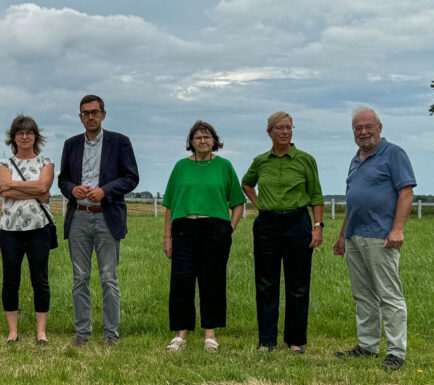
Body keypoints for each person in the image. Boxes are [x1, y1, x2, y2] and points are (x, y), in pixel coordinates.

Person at [333, 106, 415, 371]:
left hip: (381, 237)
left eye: (368, 127)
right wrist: (343, 235)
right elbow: (352, 201)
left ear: (380, 128)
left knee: (388, 295)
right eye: (358, 128)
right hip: (355, 237)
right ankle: (367, 346)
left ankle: (396, 351)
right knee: (363, 295)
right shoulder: (355, 159)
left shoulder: (394, 154)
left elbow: (406, 192)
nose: (363, 132)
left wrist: (397, 229)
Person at [58, 94, 139, 347]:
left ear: (103, 114)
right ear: (80, 117)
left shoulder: (120, 142)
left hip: (106, 216)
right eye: (85, 113)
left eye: (94, 112)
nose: (90, 117)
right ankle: (82, 333)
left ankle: (110, 335)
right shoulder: (71, 145)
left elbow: (131, 178)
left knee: (108, 277)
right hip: (79, 216)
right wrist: (72, 189)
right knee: (80, 277)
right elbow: (63, 180)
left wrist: (105, 191)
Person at [241, 111, 324, 354]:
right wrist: (260, 204)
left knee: (298, 284)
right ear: (270, 132)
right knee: (266, 283)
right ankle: (266, 341)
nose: (285, 131)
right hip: (267, 225)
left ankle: (295, 340)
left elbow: (316, 195)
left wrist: (317, 227)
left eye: (289, 127)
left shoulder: (305, 160)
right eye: (280, 127)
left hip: (298, 223)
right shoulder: (260, 161)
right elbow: (247, 183)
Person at [162, 121, 246, 352]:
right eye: (197, 137)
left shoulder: (224, 166)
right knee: (181, 282)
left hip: (215, 229)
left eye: (207, 136)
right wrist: (167, 238)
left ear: (214, 140)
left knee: (212, 281)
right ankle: (180, 335)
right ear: (191, 142)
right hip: (184, 228)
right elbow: (169, 205)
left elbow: (238, 203)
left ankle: (210, 334)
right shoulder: (180, 167)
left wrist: (230, 228)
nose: (202, 140)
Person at [0, 115, 55, 345]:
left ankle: (41, 332)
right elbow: (5, 192)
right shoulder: (4, 164)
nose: (25, 136)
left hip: (39, 228)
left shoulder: (46, 162)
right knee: (11, 280)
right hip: (10, 230)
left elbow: (44, 188)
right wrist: (34, 190)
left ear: (36, 136)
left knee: (40, 279)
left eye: (29, 132)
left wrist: (14, 185)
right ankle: (13, 331)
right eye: (20, 133)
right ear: (13, 137)